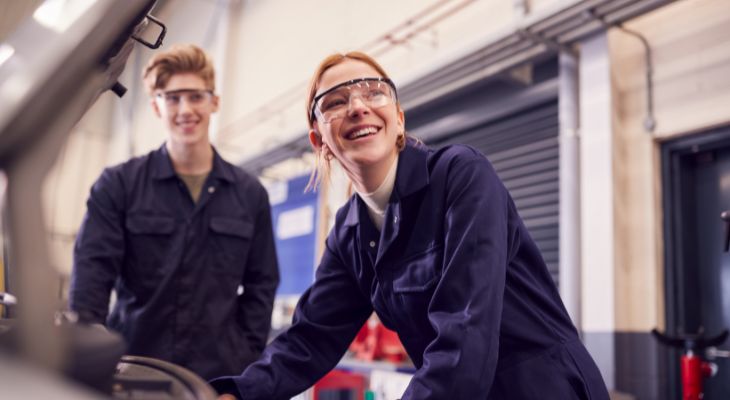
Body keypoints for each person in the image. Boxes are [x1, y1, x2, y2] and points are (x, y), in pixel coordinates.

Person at [211, 51, 609, 399]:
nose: (357, 106)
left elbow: (466, 330)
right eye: (335, 101)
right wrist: (237, 393)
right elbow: (311, 338)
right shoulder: (349, 233)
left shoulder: (460, 175)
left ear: (398, 120)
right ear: (320, 142)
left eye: (373, 91)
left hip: (543, 386)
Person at [69, 44, 280, 380]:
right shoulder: (118, 186)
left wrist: (246, 354)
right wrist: (90, 358)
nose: (185, 109)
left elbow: (262, 285)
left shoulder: (249, 194)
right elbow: (91, 282)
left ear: (214, 102)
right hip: (131, 372)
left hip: (216, 379)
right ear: (156, 106)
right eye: (172, 98)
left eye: (196, 97)